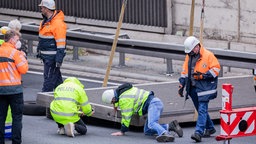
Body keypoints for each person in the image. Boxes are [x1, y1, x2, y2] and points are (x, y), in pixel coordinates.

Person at [102, 83, 183, 143]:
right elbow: (118, 100)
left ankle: (165, 134)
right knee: (147, 131)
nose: (113, 103)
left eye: (112, 102)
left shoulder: (124, 99)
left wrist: (122, 131)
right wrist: (115, 106)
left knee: (151, 123)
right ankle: (171, 126)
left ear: (113, 98)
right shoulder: (123, 91)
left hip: (153, 104)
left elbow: (126, 116)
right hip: (155, 103)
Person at [178, 36, 220, 142]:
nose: (191, 53)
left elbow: (216, 69)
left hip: (205, 88)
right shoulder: (189, 55)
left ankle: (198, 132)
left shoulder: (208, 55)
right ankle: (210, 128)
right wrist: (181, 84)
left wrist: (203, 76)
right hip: (192, 87)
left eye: (192, 50)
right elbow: (185, 71)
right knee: (200, 109)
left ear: (197, 46)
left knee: (202, 109)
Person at [0, 30, 29, 144]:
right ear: (11, 39)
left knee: (1, 117)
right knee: (16, 118)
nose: (18, 42)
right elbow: (24, 69)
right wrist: (23, 57)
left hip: (1, 90)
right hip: (15, 90)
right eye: (17, 40)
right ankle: (16, 142)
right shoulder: (15, 53)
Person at [37, 0, 67, 92]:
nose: (41, 9)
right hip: (47, 57)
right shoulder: (45, 22)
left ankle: (44, 104)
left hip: (52, 59)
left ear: (46, 9)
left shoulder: (57, 24)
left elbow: (61, 44)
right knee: (58, 83)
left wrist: (58, 60)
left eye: (42, 8)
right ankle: (64, 99)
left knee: (48, 82)